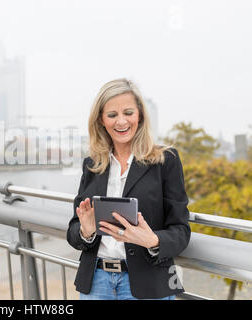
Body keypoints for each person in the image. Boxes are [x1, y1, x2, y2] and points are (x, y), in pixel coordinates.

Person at [66, 78, 191, 300]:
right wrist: (86, 231)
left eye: (128, 112)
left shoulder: (166, 160)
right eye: (112, 115)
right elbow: (74, 230)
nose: (121, 121)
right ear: (101, 120)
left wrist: (152, 240)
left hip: (148, 283)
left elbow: (181, 230)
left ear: (140, 115)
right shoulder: (92, 164)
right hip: (96, 283)